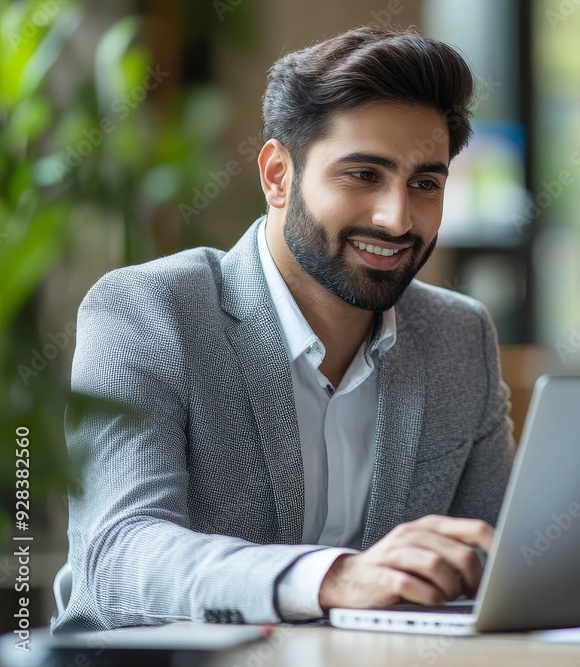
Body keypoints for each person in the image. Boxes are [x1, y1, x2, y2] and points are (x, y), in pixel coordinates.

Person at [55, 26, 514, 631]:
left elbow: (501, 562)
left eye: (424, 184)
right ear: (277, 175)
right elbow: (118, 558)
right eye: (362, 175)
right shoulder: (147, 311)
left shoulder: (460, 336)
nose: (397, 217)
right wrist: (333, 577)